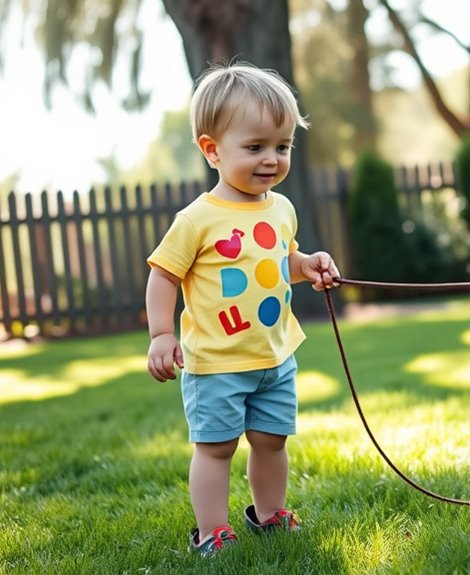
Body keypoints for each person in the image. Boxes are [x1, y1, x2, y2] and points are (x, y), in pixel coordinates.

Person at [145, 61, 339, 556]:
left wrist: (308, 264)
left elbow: (280, 262)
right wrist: (161, 334)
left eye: (282, 146)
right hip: (217, 363)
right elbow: (164, 275)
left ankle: (270, 514)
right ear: (212, 149)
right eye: (255, 147)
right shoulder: (197, 219)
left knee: (272, 441)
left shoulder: (282, 209)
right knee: (216, 448)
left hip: (275, 356)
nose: (271, 159)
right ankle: (213, 531)